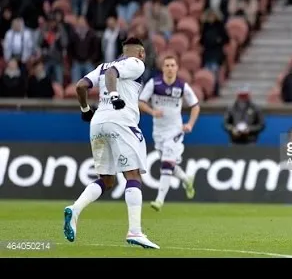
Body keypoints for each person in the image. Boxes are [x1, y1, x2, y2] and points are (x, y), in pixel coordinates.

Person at [64, 37, 159, 249]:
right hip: (121, 121)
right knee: (132, 175)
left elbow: (80, 86)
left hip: (98, 123)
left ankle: (75, 210)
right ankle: (135, 231)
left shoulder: (103, 65)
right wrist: (115, 96)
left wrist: (85, 110)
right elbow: (111, 75)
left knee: (107, 181)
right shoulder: (136, 63)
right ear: (140, 53)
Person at [138, 55, 200, 211]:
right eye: (167, 65)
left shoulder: (182, 86)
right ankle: (186, 180)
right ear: (163, 68)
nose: (170, 68)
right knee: (169, 164)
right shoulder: (154, 83)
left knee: (166, 163)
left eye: (173, 65)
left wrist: (190, 124)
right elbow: (140, 102)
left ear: (177, 68)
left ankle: (159, 200)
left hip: (175, 130)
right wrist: (152, 112)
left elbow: (195, 105)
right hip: (158, 131)